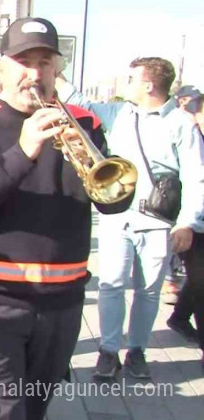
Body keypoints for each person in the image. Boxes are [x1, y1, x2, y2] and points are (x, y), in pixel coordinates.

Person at [0, 18, 131, 420]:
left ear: (56, 69)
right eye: (24, 61)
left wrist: (103, 173)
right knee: (0, 411)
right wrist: (23, 149)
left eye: (44, 62)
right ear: (3, 68)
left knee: (33, 410)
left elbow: (112, 202)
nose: (35, 73)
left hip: (62, 300)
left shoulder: (85, 122)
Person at [58, 57, 204, 379]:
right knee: (110, 284)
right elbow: (77, 101)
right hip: (116, 214)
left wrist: (187, 223)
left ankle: (136, 350)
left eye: (132, 78)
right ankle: (108, 352)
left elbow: (197, 176)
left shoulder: (181, 123)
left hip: (158, 221)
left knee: (149, 290)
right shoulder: (120, 112)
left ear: (149, 85)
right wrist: (56, 69)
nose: (127, 84)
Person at [166, 95, 204, 366]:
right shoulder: (190, 139)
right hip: (194, 223)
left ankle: (179, 317)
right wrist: (186, 222)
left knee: (198, 281)